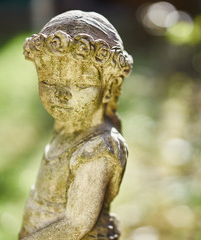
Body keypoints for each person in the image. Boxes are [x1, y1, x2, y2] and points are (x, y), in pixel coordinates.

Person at [18, 10, 132, 240]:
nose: (61, 94)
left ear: (109, 86)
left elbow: (76, 223)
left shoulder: (98, 148)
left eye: (81, 84)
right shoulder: (65, 129)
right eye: (48, 81)